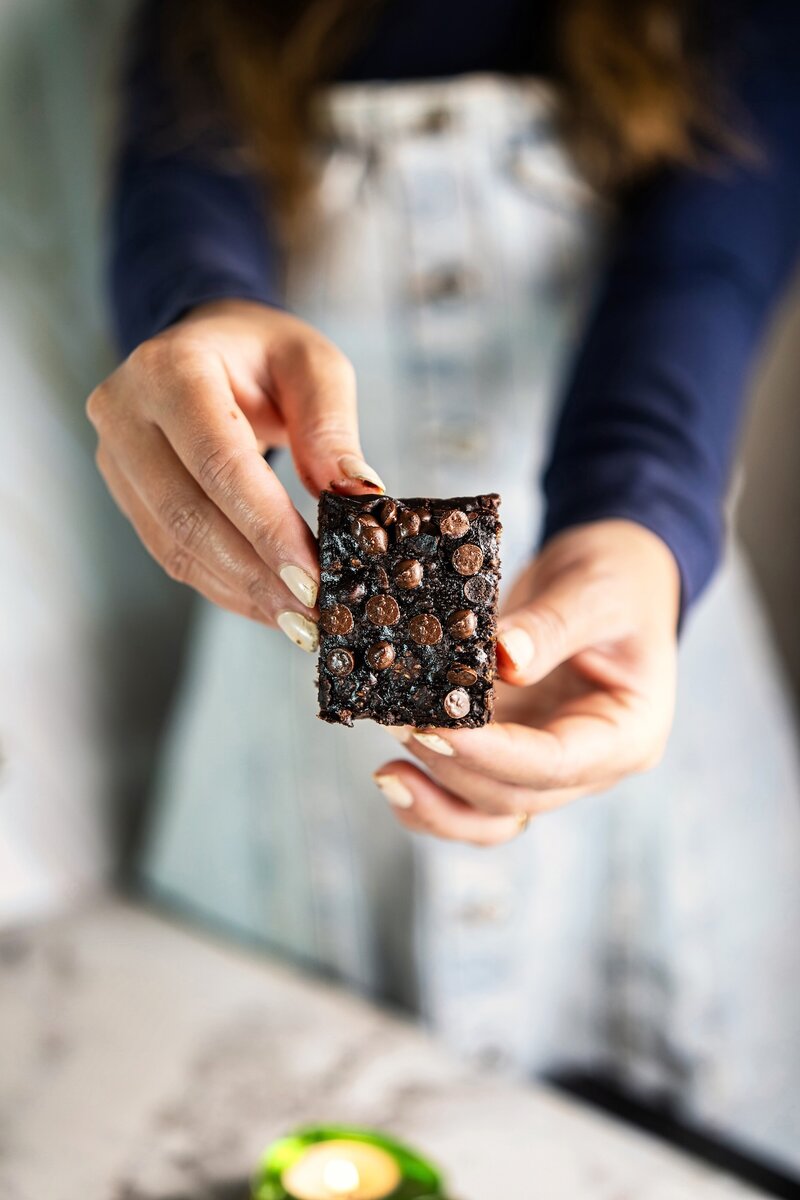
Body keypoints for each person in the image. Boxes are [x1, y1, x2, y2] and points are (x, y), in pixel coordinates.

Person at [88, 0, 800, 1169]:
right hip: (284, 763)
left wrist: (633, 527)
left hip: (631, 676)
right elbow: (175, 205)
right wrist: (195, 325)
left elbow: (702, 272)